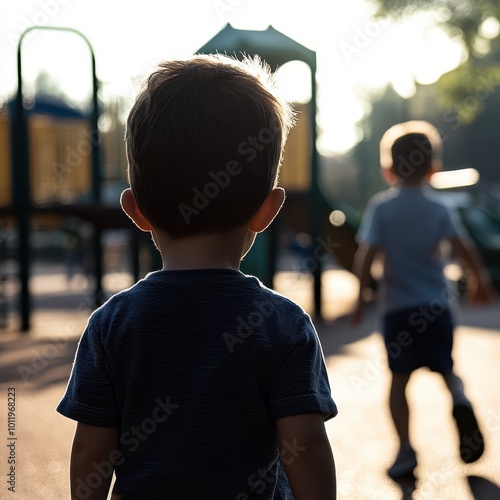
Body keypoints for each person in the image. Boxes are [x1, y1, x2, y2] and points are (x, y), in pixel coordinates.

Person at [56, 54, 337, 500]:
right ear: (268, 209)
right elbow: (305, 448)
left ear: (136, 211)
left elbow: (91, 450)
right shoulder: (282, 323)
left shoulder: (111, 324)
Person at [351, 120, 494, 479]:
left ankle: (405, 450)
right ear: (434, 168)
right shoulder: (440, 207)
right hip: (437, 307)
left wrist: (360, 297)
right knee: (447, 369)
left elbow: (365, 255)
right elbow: (464, 248)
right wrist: (480, 281)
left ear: (387, 170)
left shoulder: (381, 208)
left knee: (399, 381)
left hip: (398, 311)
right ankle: (460, 400)